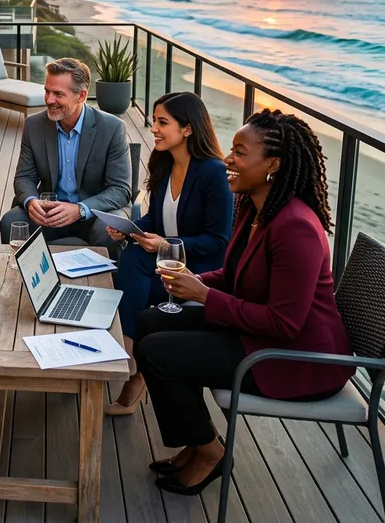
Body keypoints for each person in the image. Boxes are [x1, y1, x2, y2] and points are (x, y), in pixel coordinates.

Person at [134, 109, 354, 496]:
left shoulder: (296, 226)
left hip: (296, 357)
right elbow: (237, 275)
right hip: (260, 334)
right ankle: (197, 438)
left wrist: (204, 297)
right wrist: (198, 280)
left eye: (239, 152)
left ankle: (210, 452)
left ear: (273, 164)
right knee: (152, 320)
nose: (227, 160)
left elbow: (285, 323)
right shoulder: (255, 208)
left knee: (157, 352)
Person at [105, 92, 233, 416]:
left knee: (137, 277)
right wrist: (131, 228)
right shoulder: (164, 163)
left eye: (163, 122)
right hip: (164, 259)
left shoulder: (213, 172)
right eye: (154, 121)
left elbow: (220, 241)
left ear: (188, 129)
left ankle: (134, 368)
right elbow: (156, 220)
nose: (154, 129)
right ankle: (135, 362)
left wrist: (166, 245)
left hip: (200, 269)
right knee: (132, 258)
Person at [0, 57, 132, 251]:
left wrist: (80, 209)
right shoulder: (34, 125)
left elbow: (120, 189)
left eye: (58, 94)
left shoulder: (112, 128)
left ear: (81, 96)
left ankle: (105, 282)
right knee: (11, 221)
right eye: (47, 91)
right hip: (49, 214)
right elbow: (24, 177)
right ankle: (20, 280)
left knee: (108, 232)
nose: (49, 100)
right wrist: (31, 201)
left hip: (94, 214)